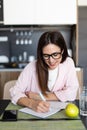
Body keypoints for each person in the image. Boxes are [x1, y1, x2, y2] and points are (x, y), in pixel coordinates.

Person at [10, 31, 79, 113]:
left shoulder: (68, 63)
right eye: (46, 56)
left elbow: (72, 93)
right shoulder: (31, 67)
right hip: (36, 115)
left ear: (62, 51)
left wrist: (39, 96)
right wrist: (32, 103)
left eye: (55, 54)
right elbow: (14, 92)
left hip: (60, 113)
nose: (51, 61)